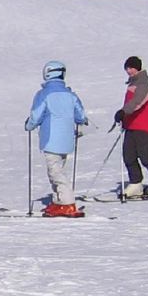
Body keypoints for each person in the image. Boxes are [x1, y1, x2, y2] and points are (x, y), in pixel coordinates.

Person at [24, 60, 88, 217]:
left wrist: (29, 125)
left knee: (55, 172)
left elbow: (36, 115)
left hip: (51, 139)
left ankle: (68, 203)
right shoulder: (70, 94)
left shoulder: (44, 94)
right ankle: (59, 201)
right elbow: (80, 115)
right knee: (59, 170)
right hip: (67, 139)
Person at [114, 55, 148, 198]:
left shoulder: (144, 83)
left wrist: (123, 111)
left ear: (137, 67)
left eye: (131, 68)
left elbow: (138, 102)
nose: (129, 71)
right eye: (127, 68)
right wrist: (124, 117)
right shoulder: (133, 83)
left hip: (144, 126)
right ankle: (136, 183)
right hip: (132, 125)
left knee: (147, 158)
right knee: (129, 156)